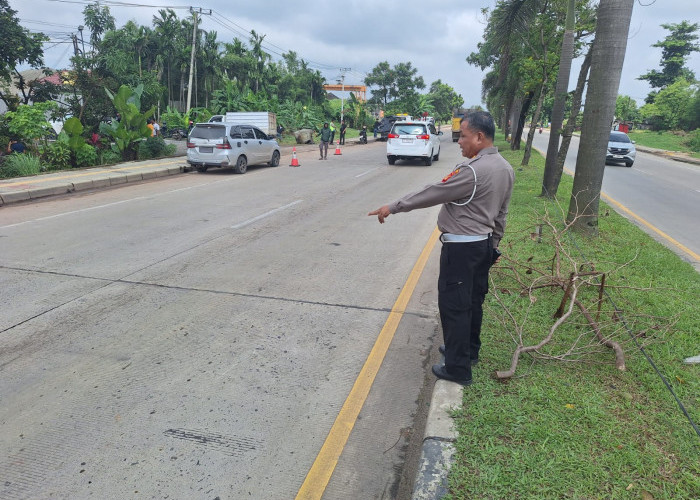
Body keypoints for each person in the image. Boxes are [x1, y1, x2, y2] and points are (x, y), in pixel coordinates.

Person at [368, 111, 514, 386]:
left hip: (461, 250)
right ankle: (468, 351)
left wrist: (394, 206)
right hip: (483, 246)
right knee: (472, 302)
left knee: (455, 306)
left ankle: (458, 368)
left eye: (464, 136)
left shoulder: (472, 171)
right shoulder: (505, 168)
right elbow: (501, 214)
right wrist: (494, 245)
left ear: (480, 137)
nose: (459, 141)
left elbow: (432, 192)